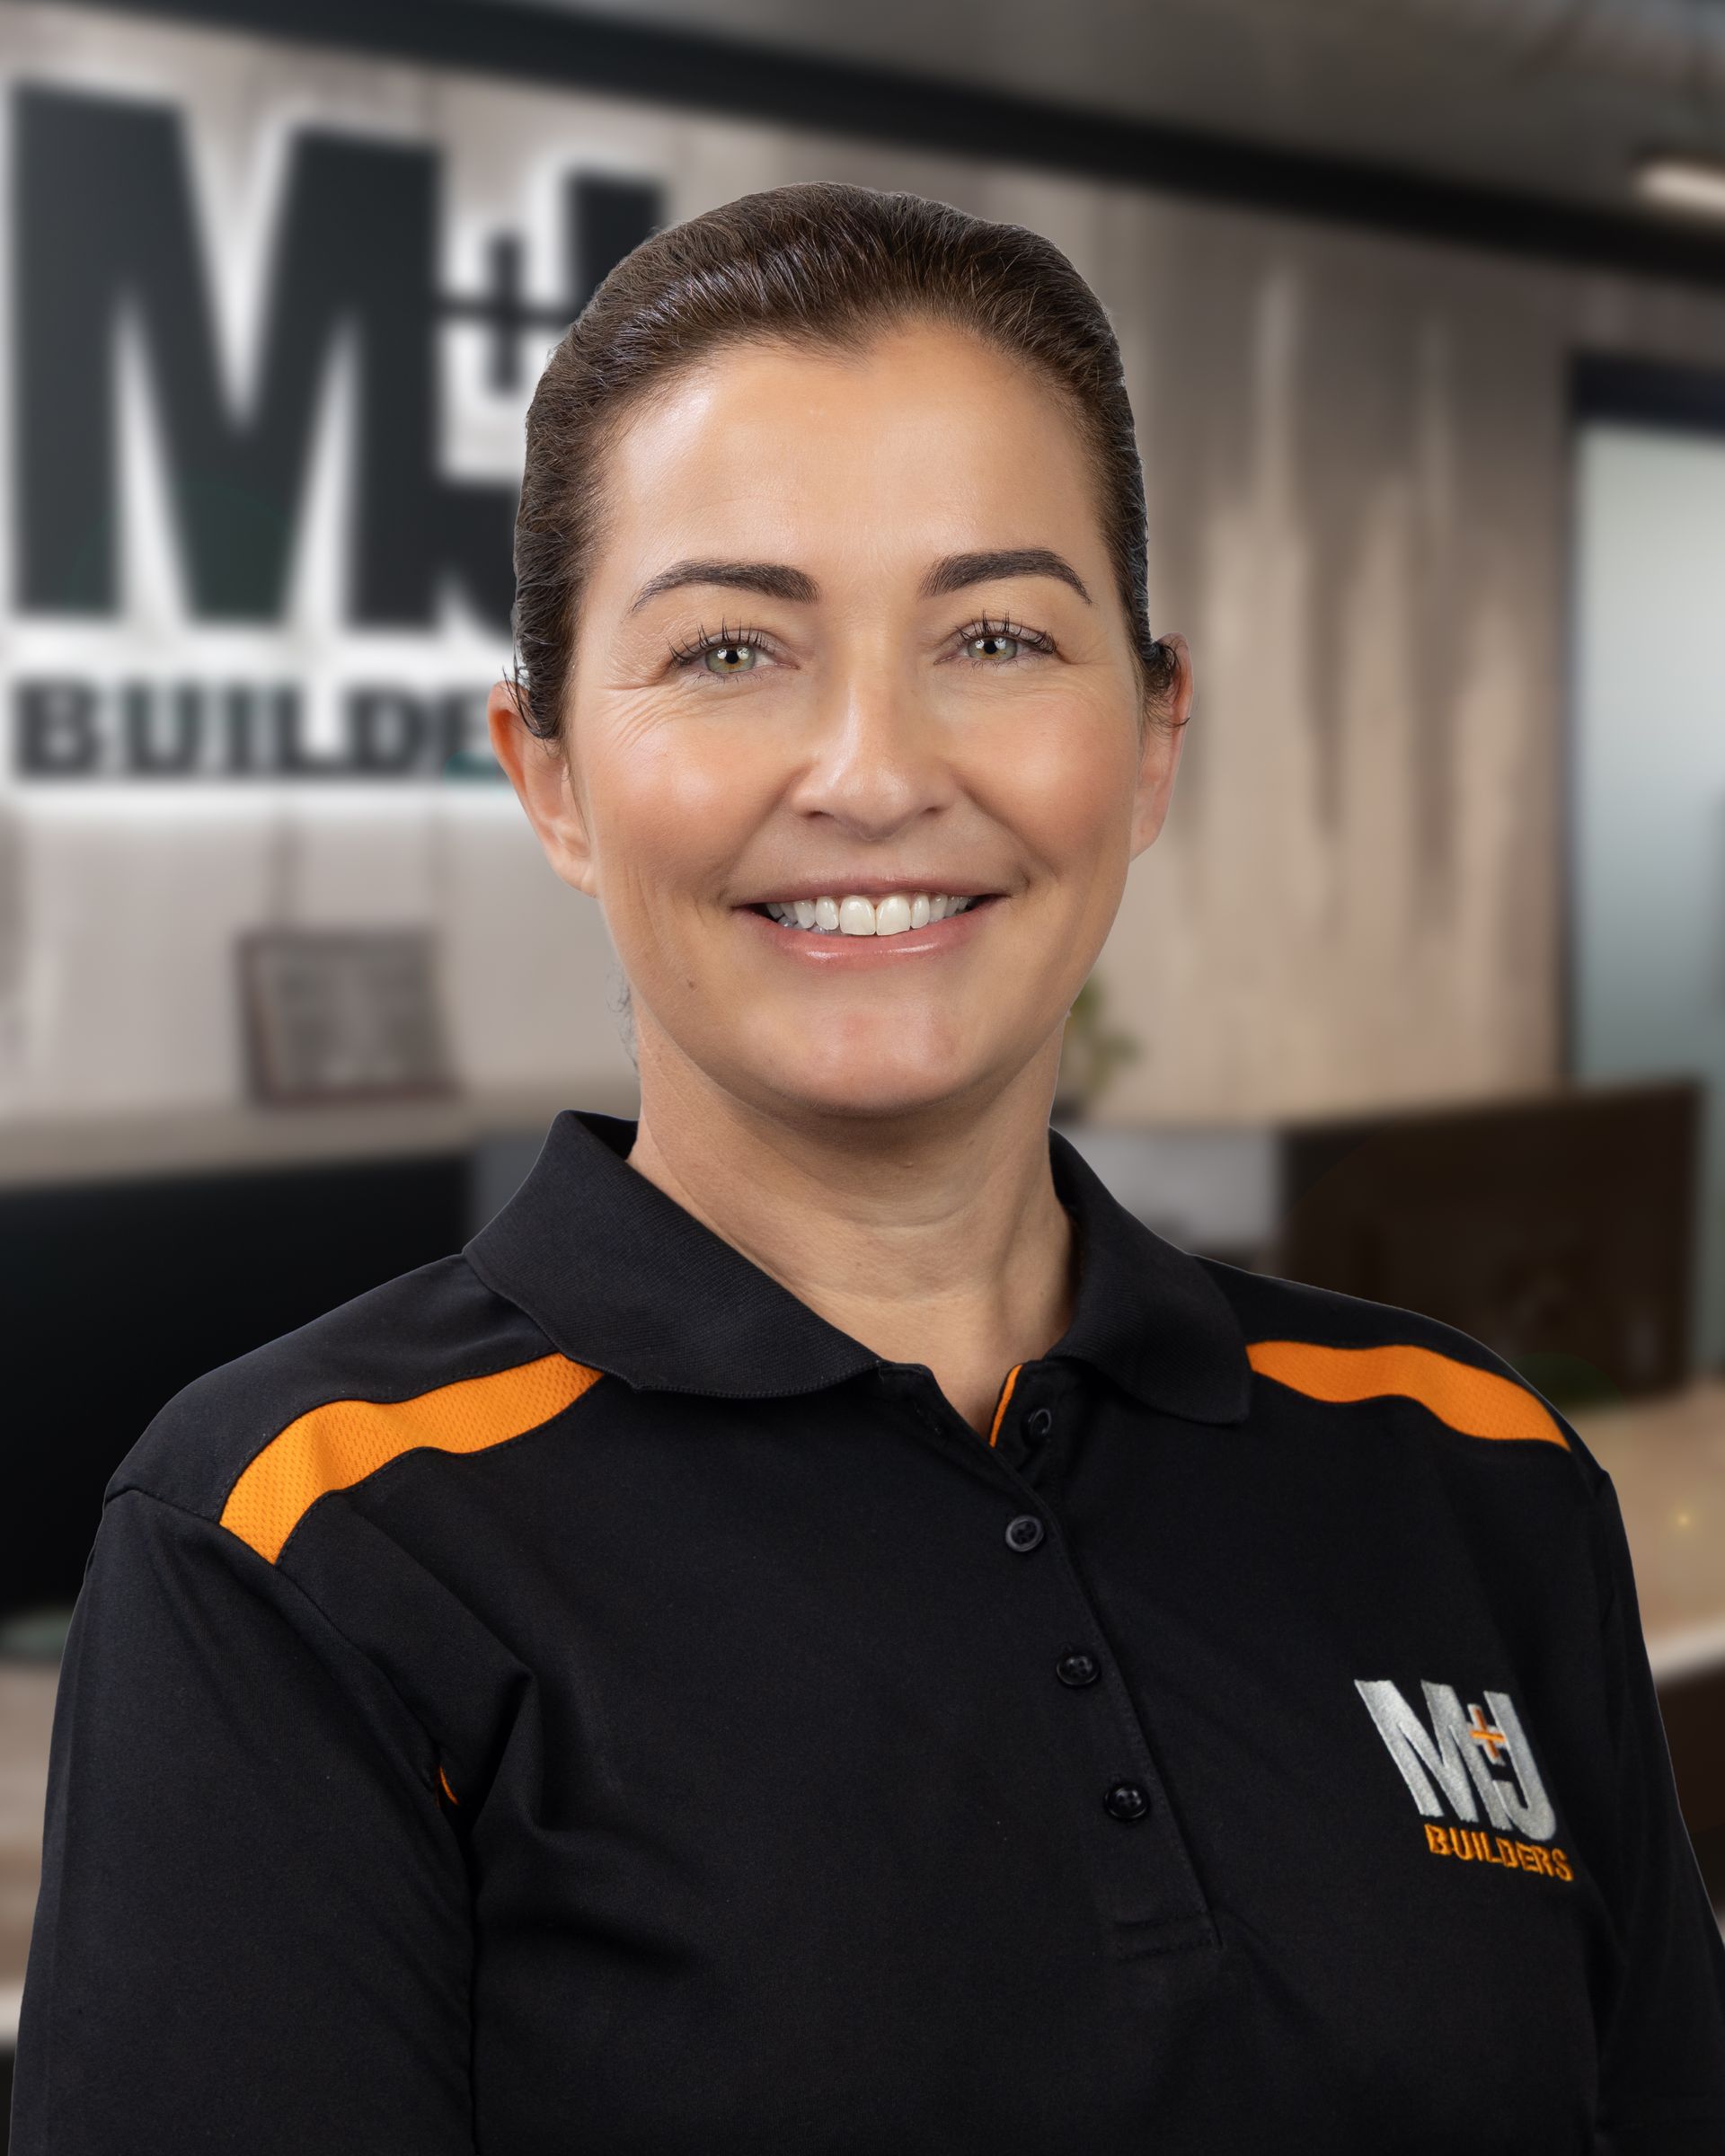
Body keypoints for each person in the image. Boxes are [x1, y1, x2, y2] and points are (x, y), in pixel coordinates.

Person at [13, 181, 1725, 2155]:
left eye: (995, 633)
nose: (874, 769)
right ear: (548, 771)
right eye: (732, 649)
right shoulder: (297, 1546)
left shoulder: (1474, 1472)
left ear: (1153, 737)